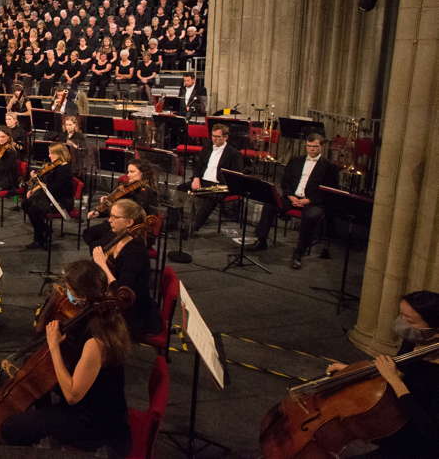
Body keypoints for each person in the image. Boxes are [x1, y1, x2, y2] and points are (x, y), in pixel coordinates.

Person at [0, 259, 131, 454]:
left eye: (69, 289)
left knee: (10, 428)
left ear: (83, 296)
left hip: (94, 422)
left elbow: (72, 396)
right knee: (39, 393)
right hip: (90, 402)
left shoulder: (96, 342)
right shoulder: (101, 313)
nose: (65, 292)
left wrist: (53, 346)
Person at [322, 290, 439, 456]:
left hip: (419, 441)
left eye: (409, 320)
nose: (402, 323)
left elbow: (430, 430)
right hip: (397, 421)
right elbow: (401, 372)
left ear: (434, 326)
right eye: (401, 315)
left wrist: (395, 381)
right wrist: (356, 371)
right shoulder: (415, 340)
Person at [250, 134, 340, 268]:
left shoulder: (329, 167)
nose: (312, 149)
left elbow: (329, 191)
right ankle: (261, 240)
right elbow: (285, 182)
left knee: (311, 216)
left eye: (315, 146)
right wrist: (290, 195)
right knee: (270, 204)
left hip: (313, 202)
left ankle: (299, 252)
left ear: (321, 146)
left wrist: (307, 200)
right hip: (293, 197)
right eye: (309, 146)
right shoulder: (296, 161)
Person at [84, 199, 162, 338]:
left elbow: (121, 295)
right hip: (113, 301)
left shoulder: (135, 251)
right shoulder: (116, 236)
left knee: (86, 327)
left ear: (129, 222)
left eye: (115, 217)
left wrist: (102, 264)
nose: (109, 220)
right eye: (110, 215)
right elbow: (93, 242)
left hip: (130, 312)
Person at [186, 124, 243, 235]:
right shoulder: (207, 147)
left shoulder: (234, 154)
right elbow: (198, 165)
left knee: (211, 197)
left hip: (220, 185)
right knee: (180, 188)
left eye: (218, 137)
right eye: (213, 136)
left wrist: (223, 186)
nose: (214, 139)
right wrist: (196, 178)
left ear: (226, 137)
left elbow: (236, 175)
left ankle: (193, 228)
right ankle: (174, 222)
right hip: (203, 181)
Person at [22, 143, 73, 250]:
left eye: (51, 153)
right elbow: (46, 182)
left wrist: (40, 182)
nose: (49, 156)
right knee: (25, 203)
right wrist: (33, 187)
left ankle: (39, 238)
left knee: (34, 209)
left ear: (59, 154)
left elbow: (55, 188)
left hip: (61, 201)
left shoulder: (65, 169)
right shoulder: (55, 166)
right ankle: (44, 229)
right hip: (50, 197)